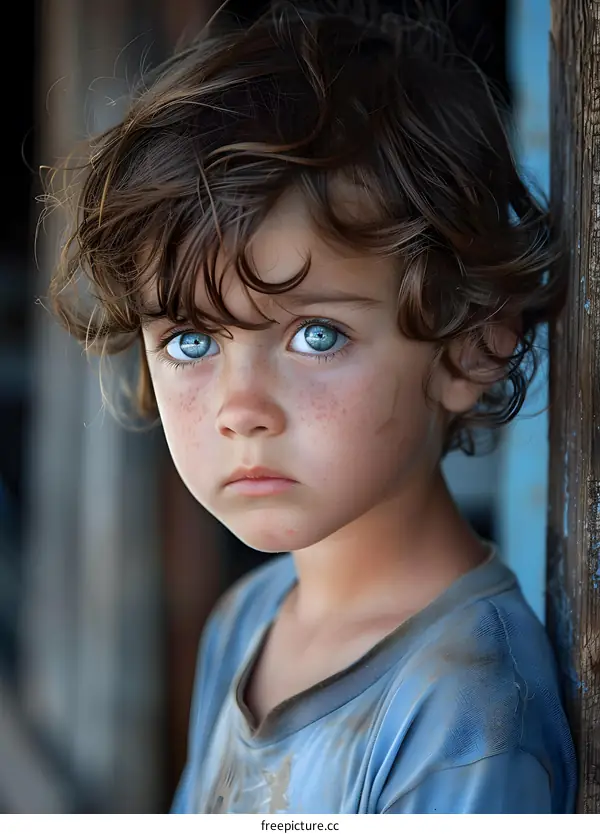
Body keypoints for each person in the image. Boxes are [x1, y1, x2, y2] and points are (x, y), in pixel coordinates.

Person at [46, 0, 576, 814]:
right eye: (191, 342)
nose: (241, 408)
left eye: (316, 336)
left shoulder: (464, 715)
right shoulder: (250, 622)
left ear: (472, 345)